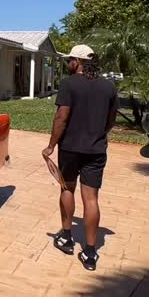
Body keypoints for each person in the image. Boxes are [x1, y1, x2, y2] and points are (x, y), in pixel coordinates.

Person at [42, 44, 119, 271]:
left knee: (67, 189)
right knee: (92, 199)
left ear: (78, 61)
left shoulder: (68, 84)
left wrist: (50, 146)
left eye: (70, 60)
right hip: (96, 150)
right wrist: (99, 134)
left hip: (70, 149)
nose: (68, 64)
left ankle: (66, 238)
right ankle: (90, 252)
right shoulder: (108, 86)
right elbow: (111, 119)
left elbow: (61, 118)